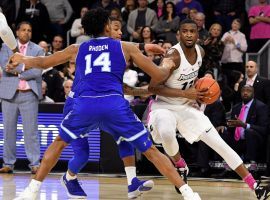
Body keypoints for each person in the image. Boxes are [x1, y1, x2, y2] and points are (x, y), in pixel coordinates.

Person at [10, 8, 201, 200]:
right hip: (113, 105)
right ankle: (188, 193)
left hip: (84, 105)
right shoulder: (124, 48)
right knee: (150, 150)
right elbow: (158, 75)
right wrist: (167, 64)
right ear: (107, 26)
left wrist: (23, 59)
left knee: (59, 144)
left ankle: (31, 191)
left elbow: (43, 62)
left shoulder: (77, 49)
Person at [147, 18, 270, 199]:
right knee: (166, 131)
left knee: (219, 143)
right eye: (185, 31)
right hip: (163, 106)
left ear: (198, 34)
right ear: (178, 34)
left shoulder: (201, 52)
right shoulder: (172, 57)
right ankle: (181, 166)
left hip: (186, 106)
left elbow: (188, 79)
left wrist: (198, 87)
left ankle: (255, 185)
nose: (189, 34)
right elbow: (153, 88)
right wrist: (185, 94)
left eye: (192, 31)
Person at [0, 21, 44, 174]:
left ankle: (34, 163)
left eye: (29, 30)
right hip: (9, 95)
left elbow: (37, 72)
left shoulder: (38, 50)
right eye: (24, 30)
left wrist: (18, 69)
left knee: (31, 131)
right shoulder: (5, 47)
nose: (27, 32)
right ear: (17, 32)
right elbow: (6, 66)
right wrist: (27, 66)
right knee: (8, 131)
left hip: (29, 95)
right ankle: (8, 163)